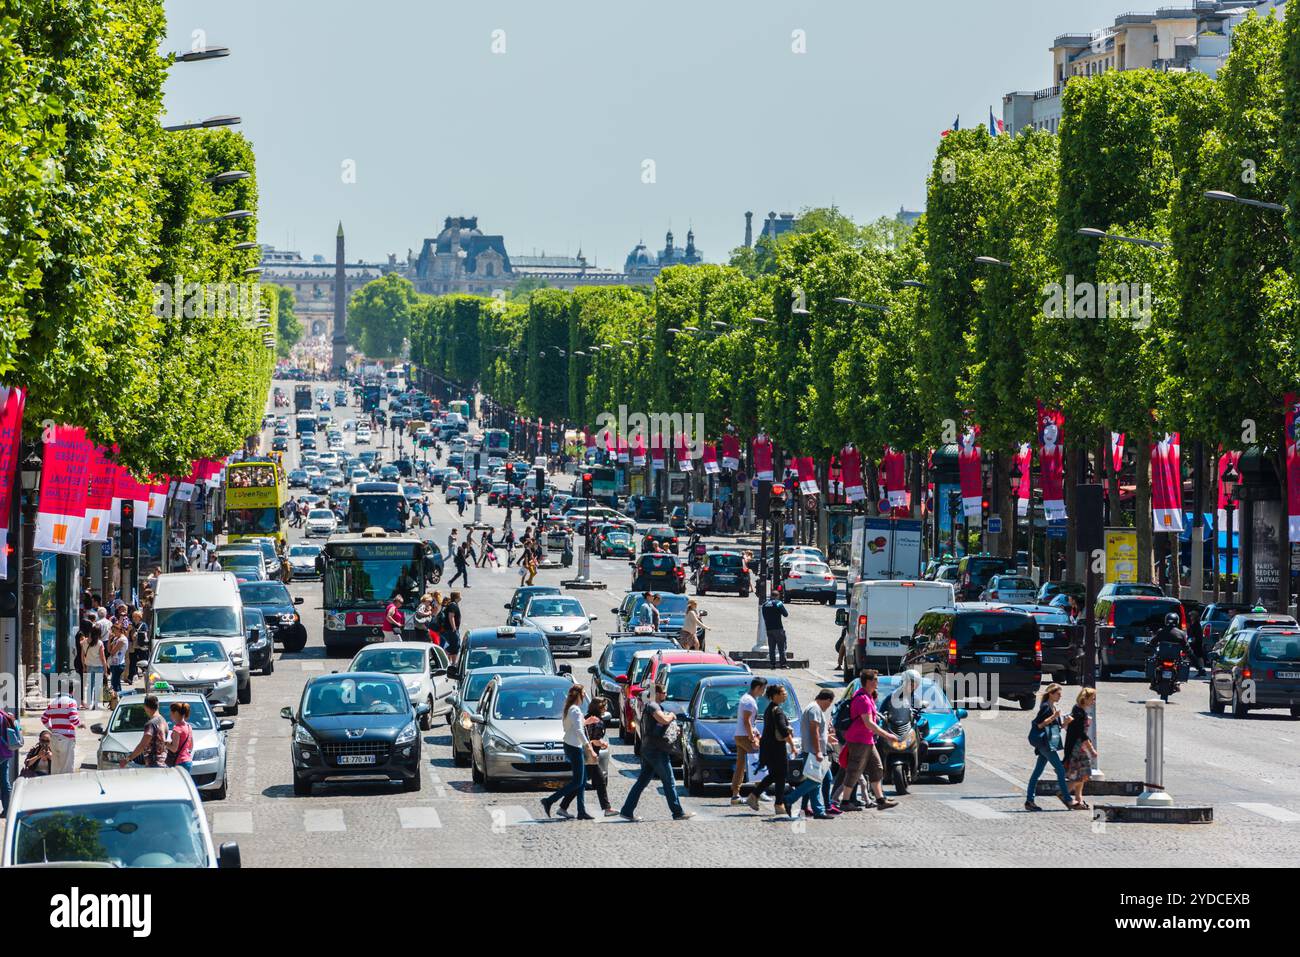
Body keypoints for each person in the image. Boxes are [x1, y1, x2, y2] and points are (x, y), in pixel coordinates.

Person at [618, 676, 694, 822]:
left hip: (650, 749)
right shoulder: (653, 706)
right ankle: (677, 812)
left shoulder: (654, 706)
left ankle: (627, 810)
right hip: (656, 750)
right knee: (669, 781)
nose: (666, 694)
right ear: (658, 693)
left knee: (642, 782)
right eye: (664, 692)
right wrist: (671, 716)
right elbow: (663, 720)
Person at [830, 670, 899, 812]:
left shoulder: (868, 697)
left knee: (877, 768)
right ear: (868, 682)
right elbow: (868, 723)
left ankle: (880, 800)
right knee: (854, 770)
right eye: (875, 679)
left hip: (868, 740)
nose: (877, 682)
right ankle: (845, 801)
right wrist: (888, 735)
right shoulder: (862, 699)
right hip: (859, 740)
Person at [557, 696, 617, 818]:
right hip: (590, 756)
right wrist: (602, 743)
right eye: (604, 706)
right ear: (600, 708)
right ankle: (607, 808)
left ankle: (563, 807)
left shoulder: (587, 717)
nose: (606, 708)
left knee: (582, 782)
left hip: (583, 753)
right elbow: (593, 740)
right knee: (598, 781)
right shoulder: (597, 721)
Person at [541, 685, 594, 820]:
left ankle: (579, 811)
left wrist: (587, 721)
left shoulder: (569, 709)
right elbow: (578, 731)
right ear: (579, 695)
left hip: (570, 745)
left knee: (581, 781)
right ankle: (549, 800)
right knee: (577, 782)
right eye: (583, 693)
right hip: (575, 747)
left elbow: (572, 727)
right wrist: (588, 747)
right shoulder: (575, 710)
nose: (584, 696)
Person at [747, 684, 798, 816]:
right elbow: (783, 730)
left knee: (777, 775)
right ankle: (774, 802)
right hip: (776, 748)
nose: (785, 694)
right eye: (783, 692)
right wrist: (792, 745)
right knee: (780, 774)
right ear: (775, 695)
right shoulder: (777, 711)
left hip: (769, 747)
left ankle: (772, 801)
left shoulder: (770, 709)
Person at [1025, 683, 1074, 811]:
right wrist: (1054, 716)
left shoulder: (1052, 706)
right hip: (1045, 744)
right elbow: (1040, 725)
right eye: (1058, 694)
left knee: (1037, 773)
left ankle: (1029, 800)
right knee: (1060, 770)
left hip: (1046, 743)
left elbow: (1055, 728)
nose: (1060, 696)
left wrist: (1065, 723)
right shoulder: (1046, 707)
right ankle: (1067, 799)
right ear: (1051, 694)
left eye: (1060, 694)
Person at [790, 689, 837, 819]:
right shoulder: (815, 709)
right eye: (829, 704)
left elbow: (818, 733)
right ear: (827, 700)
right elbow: (814, 732)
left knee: (821, 780)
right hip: (814, 752)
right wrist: (817, 752)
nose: (828, 707)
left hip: (815, 751)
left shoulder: (813, 708)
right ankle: (789, 799)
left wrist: (827, 738)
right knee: (814, 782)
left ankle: (817, 810)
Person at [729, 676, 767, 804]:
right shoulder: (749, 701)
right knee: (757, 761)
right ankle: (759, 791)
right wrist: (752, 737)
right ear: (757, 688)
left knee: (740, 765)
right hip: (745, 736)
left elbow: (749, 722)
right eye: (763, 688)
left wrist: (754, 732)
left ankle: (735, 794)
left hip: (741, 734)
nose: (764, 692)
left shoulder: (748, 699)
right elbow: (746, 721)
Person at [1063, 687, 1098, 810]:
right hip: (1077, 748)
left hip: (1075, 746)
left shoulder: (1077, 709)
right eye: (1092, 699)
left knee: (1081, 773)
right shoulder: (1080, 713)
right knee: (1084, 774)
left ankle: (1078, 798)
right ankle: (1064, 793)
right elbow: (1081, 734)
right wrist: (1091, 749)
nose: (1093, 702)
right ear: (1085, 699)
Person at [120, 694, 168, 768]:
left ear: (145, 707)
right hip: (163, 762)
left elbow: (143, 745)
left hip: (153, 764)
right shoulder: (163, 721)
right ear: (158, 705)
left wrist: (128, 759)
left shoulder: (151, 724)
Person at [41, 691, 80, 774]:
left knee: (55, 767)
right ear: (72, 691)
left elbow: (44, 718)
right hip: (66, 738)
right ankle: (65, 786)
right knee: (67, 768)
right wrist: (81, 724)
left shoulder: (53, 702)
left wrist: (51, 728)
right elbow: (73, 719)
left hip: (54, 738)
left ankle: (55, 785)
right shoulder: (71, 702)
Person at [82, 621, 107, 709]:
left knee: (90, 685)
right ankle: (96, 704)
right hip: (98, 666)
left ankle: (89, 703)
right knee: (98, 685)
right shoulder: (99, 643)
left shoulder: (84, 642)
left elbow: (82, 656)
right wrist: (106, 670)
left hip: (89, 666)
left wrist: (84, 666)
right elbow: (102, 658)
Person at [760, 594, 789, 669]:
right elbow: (785, 614)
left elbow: (763, 615)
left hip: (769, 629)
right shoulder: (778, 603)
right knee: (781, 647)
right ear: (777, 596)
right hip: (778, 628)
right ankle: (783, 664)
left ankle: (772, 665)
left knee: (771, 648)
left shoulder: (764, 605)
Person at [166, 701, 195, 776]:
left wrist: (164, 743)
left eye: (171, 712)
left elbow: (174, 749)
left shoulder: (177, 728)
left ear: (175, 713)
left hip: (179, 763)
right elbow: (191, 746)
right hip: (188, 761)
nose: (170, 715)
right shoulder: (189, 726)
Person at [0, 708, 18, 814]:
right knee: (4, 781)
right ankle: (7, 810)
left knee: (4, 781)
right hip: (5, 751)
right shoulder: (4, 714)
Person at [107, 622, 129, 700]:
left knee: (115, 683)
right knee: (116, 683)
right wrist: (110, 640)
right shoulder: (116, 638)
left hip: (118, 664)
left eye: (114, 631)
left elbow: (113, 651)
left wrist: (111, 649)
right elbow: (109, 650)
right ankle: (119, 698)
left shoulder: (122, 640)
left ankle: (119, 698)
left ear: (118, 630)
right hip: (114, 663)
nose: (113, 633)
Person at [128, 610, 150, 682]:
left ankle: (147, 675)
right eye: (133, 616)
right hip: (133, 646)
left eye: (136, 617)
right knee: (132, 662)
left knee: (143, 661)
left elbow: (145, 635)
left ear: (139, 617)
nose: (134, 618)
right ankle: (131, 677)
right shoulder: (131, 625)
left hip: (141, 646)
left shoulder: (143, 625)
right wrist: (129, 630)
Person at [442, 593, 462, 666]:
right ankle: (443, 654)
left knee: (455, 646)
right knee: (455, 645)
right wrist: (454, 627)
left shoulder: (453, 604)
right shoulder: (452, 605)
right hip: (451, 629)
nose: (461, 597)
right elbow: (451, 616)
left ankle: (453, 663)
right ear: (457, 597)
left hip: (451, 629)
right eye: (460, 595)